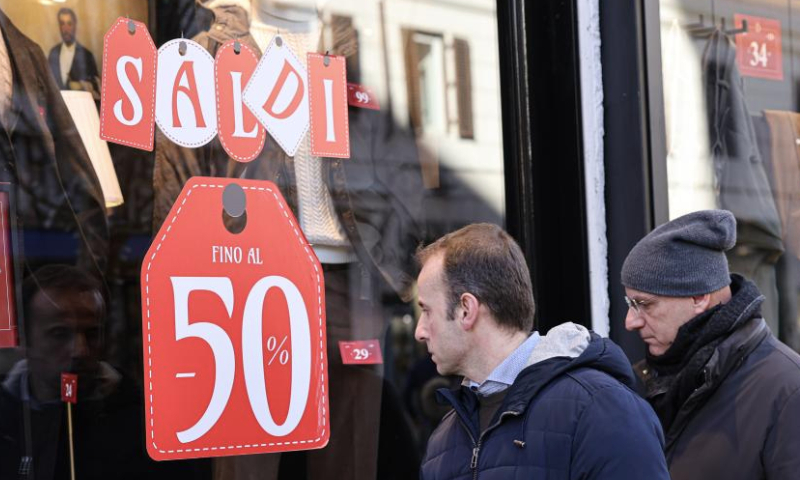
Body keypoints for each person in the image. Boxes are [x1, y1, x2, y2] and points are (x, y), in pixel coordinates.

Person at [415, 223, 669, 480]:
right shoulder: (444, 439)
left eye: (426, 311)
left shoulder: (602, 410)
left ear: (466, 310)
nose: (419, 331)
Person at [622, 209, 800, 480]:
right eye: (629, 304)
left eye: (644, 304)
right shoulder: (659, 381)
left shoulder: (788, 389)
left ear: (698, 297)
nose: (630, 321)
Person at [47, 8, 99, 94]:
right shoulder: (53, 53)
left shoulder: (87, 55)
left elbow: (96, 86)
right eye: (62, 24)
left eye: (69, 24)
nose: (66, 29)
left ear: (75, 26)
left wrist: (81, 85)